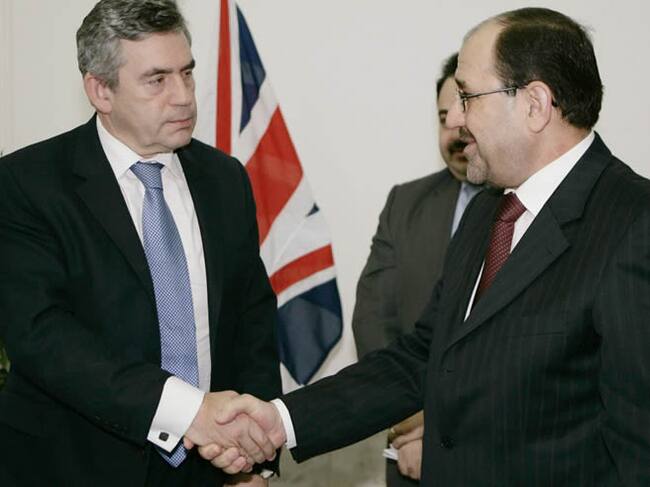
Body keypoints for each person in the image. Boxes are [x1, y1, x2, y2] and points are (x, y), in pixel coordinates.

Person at [200, 7, 650, 486]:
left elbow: (640, 444)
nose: (454, 119)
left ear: (535, 104)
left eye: (467, 97)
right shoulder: (488, 212)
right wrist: (281, 420)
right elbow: (423, 356)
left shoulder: (633, 225)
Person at [0, 0, 280, 485]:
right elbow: (43, 337)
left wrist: (255, 459)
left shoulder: (225, 179)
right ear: (100, 90)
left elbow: (252, 323)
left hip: (213, 466)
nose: (184, 97)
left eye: (187, 73)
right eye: (157, 80)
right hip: (73, 467)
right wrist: (187, 411)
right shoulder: (27, 184)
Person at [352, 52, 481, 484]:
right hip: (409, 448)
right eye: (444, 118)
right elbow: (373, 320)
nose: (455, 131)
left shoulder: (526, 206)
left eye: (465, 114)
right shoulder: (404, 203)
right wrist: (409, 424)